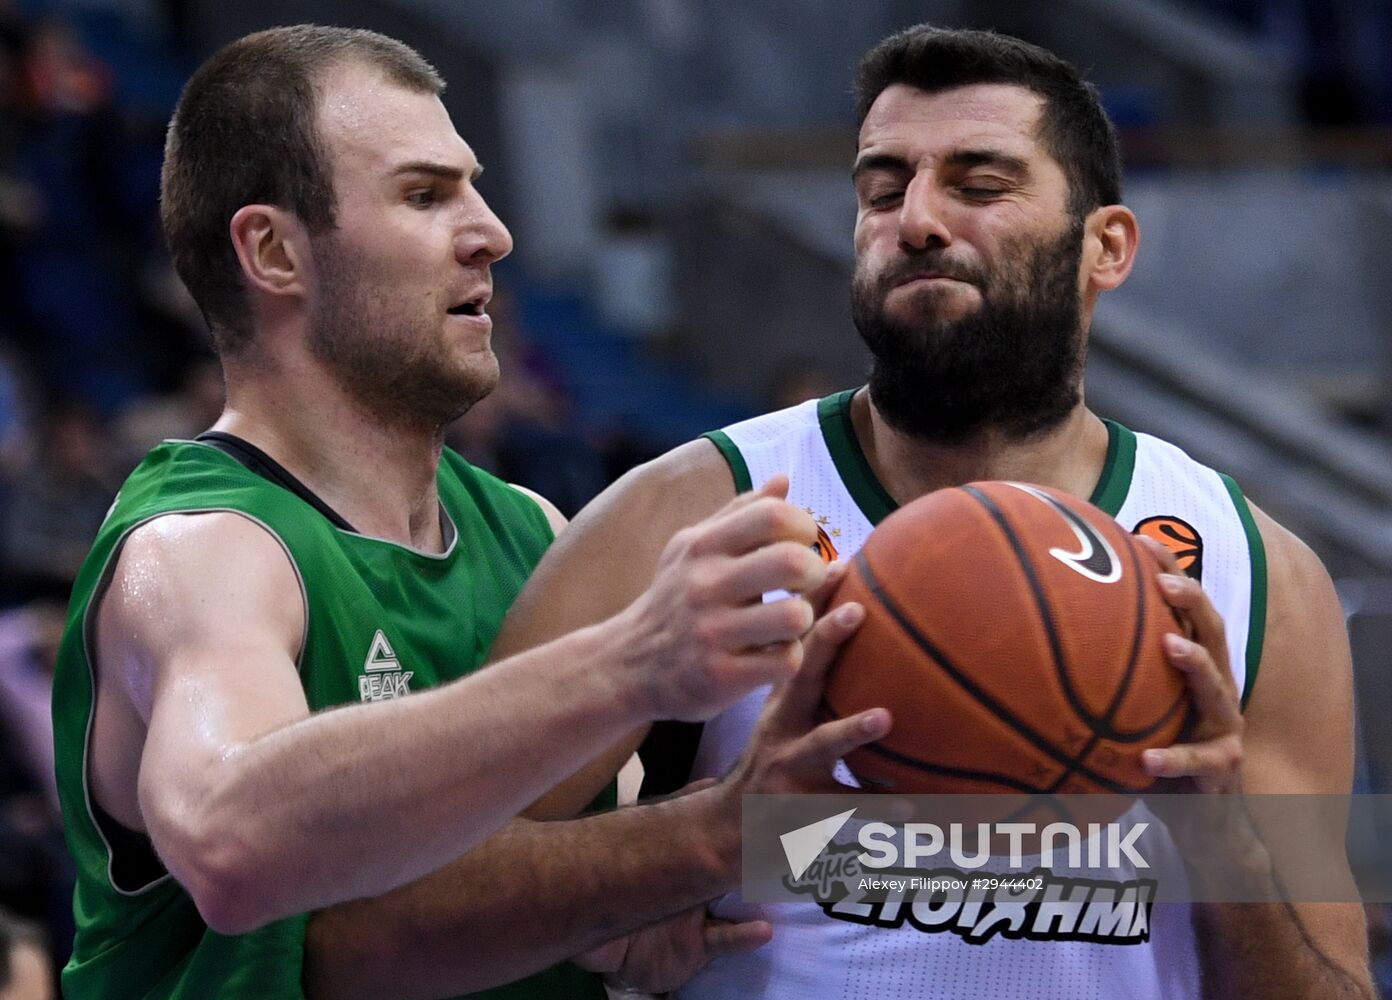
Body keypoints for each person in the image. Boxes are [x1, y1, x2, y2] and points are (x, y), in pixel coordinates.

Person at [494, 24, 1375, 1000]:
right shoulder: (691, 510)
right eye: (883, 188)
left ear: (1108, 246)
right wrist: (667, 861)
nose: (914, 219)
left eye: (979, 184)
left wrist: (1229, 852)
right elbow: (421, 899)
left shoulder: (1255, 568)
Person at [49, 25, 891, 1000]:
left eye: (473, 186)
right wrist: (631, 661)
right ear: (274, 251)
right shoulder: (203, 550)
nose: (493, 231)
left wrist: (619, 926)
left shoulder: (529, 528)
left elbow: (539, 888)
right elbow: (235, 843)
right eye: (424, 194)